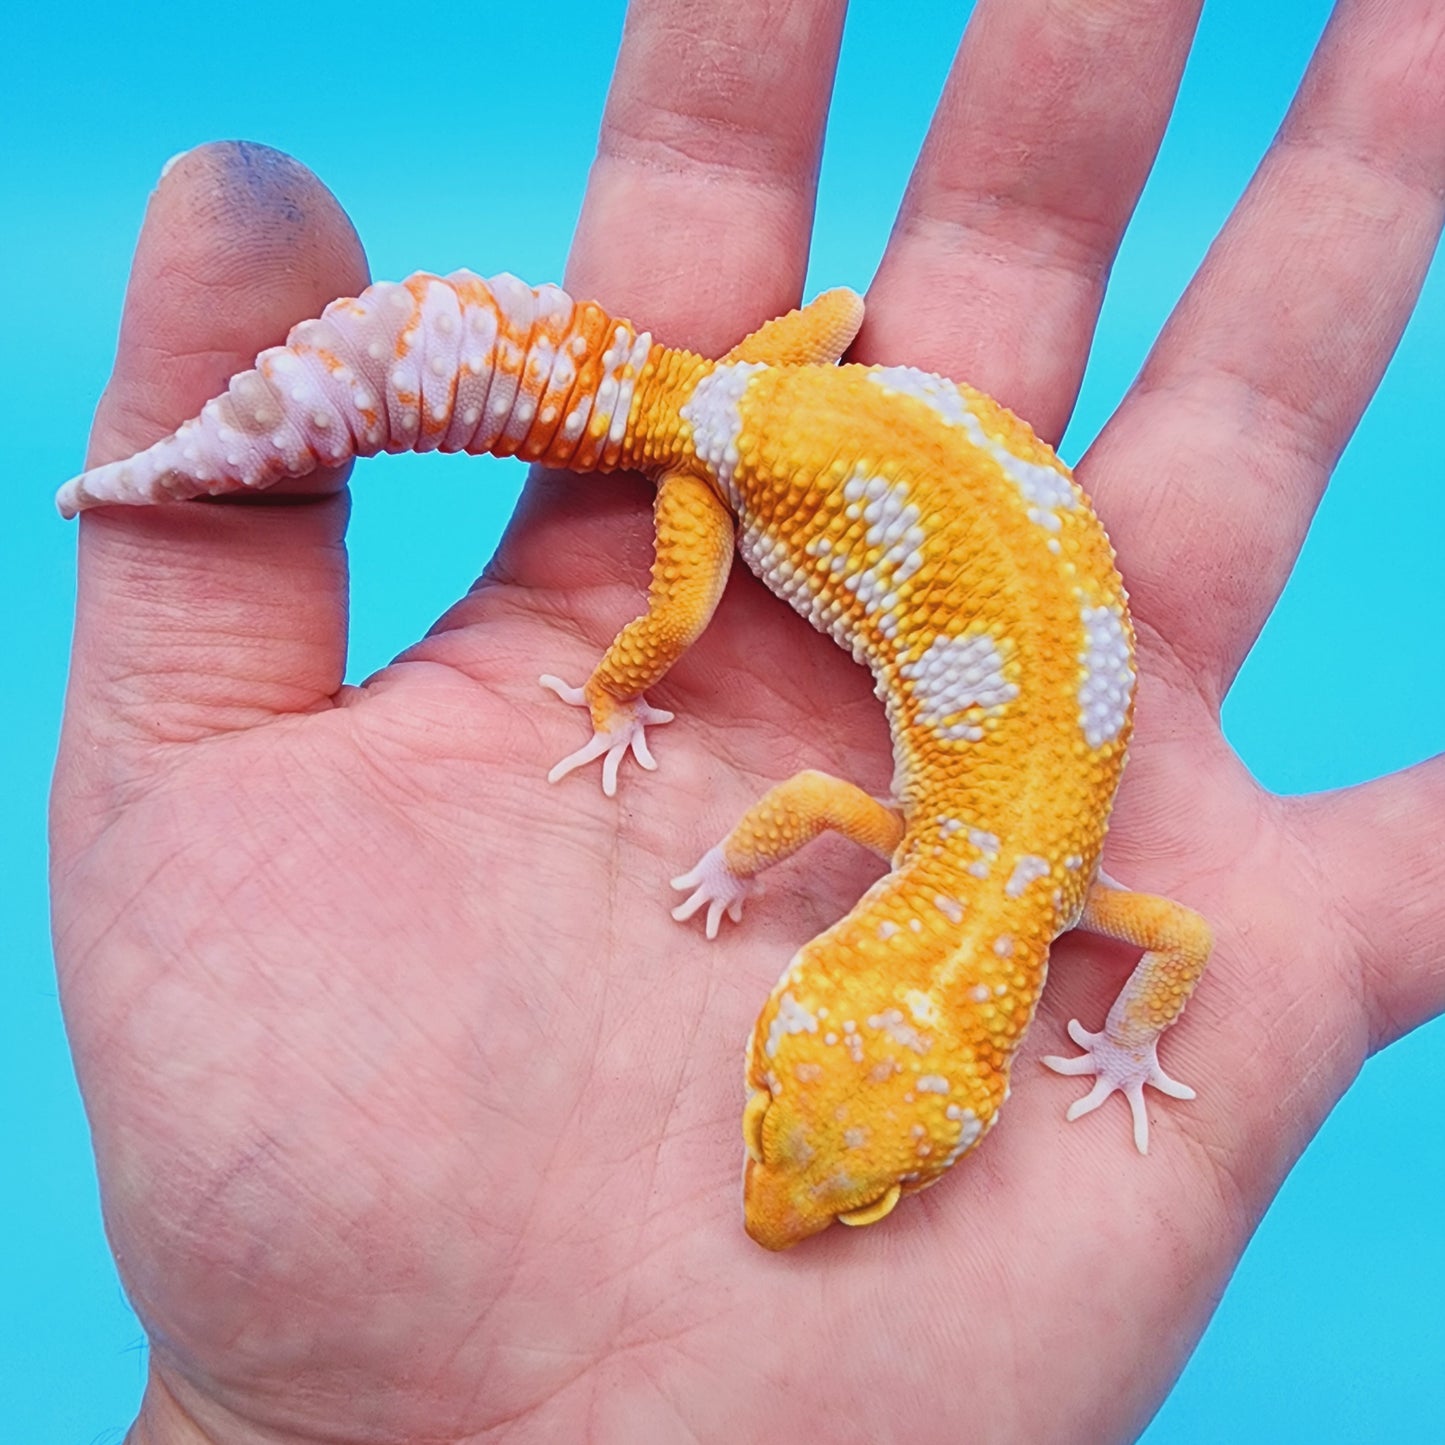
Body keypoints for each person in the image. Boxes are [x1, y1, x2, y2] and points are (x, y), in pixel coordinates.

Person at [51, 0, 1443, 1439]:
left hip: (791, 379)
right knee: (664, 629)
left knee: (828, 327)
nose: (774, 1198)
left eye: (791, 1132)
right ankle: (583, 654)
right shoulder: (994, 870)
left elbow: (1179, 944)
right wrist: (707, 827)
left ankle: (391, 431)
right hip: (728, 456)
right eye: (849, 1167)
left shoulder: (1051, 893)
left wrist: (1133, 1033)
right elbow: (876, 841)